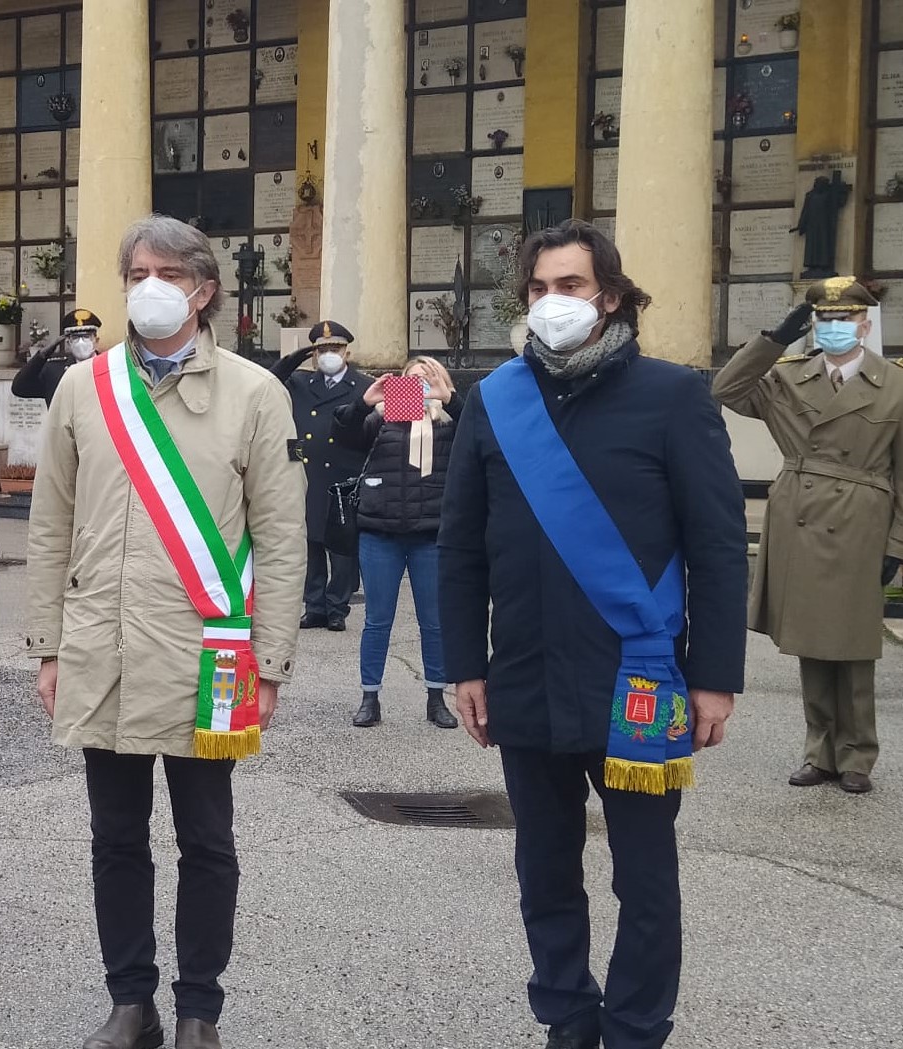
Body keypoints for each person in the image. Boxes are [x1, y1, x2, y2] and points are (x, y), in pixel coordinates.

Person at [440, 219, 746, 1049]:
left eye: (569, 287)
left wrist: (715, 676)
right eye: (538, 289)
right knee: (544, 869)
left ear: (608, 297)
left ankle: (639, 1027)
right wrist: (463, 664)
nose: (550, 303)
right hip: (527, 675)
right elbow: (460, 542)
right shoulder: (494, 399)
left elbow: (718, 544)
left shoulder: (674, 395)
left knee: (645, 877)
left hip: (638, 680)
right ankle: (568, 1018)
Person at [27, 215, 305, 1049]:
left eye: (164, 271)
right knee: (115, 836)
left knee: (206, 838)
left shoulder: (257, 393)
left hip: (208, 659)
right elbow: (50, 523)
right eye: (135, 271)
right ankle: (130, 1000)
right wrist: (46, 645)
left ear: (203, 288)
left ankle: (198, 1009)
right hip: (101, 649)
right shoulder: (86, 387)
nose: (146, 285)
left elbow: (284, 536)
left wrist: (273, 661)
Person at [713, 277, 903, 795]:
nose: (835, 328)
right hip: (800, 510)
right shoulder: (787, 376)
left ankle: (858, 756)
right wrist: (775, 337)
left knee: (853, 644)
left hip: (862, 520)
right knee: (810, 642)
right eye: (825, 320)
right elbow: (726, 389)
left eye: (845, 320)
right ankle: (819, 751)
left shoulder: (895, 383)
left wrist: (897, 544)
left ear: (865, 325)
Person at [331, 355, 458, 730]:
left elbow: (481, 431)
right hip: (380, 532)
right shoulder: (381, 420)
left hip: (430, 536)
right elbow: (343, 437)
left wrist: (448, 399)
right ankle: (370, 697)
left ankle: (436, 697)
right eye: (411, 380)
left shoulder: (451, 425)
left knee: (433, 623)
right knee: (377, 621)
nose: (418, 386)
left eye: (427, 379)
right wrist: (363, 403)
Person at [270, 321, 372, 630]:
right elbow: (269, 381)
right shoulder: (301, 383)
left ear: (347, 352)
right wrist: (293, 358)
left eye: (335, 349)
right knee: (311, 543)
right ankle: (314, 605)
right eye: (322, 350)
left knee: (342, 547)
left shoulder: (364, 385)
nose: (329, 355)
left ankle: (337, 607)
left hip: (345, 473)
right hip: (307, 471)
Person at [11, 307, 103, 404]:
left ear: (96, 340)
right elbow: (19, 388)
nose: (81, 342)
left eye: (86, 337)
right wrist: (41, 356)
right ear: (68, 343)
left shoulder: (109, 367)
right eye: (75, 337)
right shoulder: (54, 370)